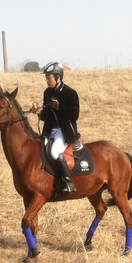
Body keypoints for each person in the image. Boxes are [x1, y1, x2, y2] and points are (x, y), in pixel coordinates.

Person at [38, 62, 79, 193]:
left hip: (65, 132)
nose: (46, 80)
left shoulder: (70, 93)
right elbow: (47, 116)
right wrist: (39, 113)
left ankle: (68, 183)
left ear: (58, 78)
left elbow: (74, 115)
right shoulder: (47, 93)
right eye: (46, 78)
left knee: (55, 152)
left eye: (49, 78)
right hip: (50, 131)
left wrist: (59, 107)